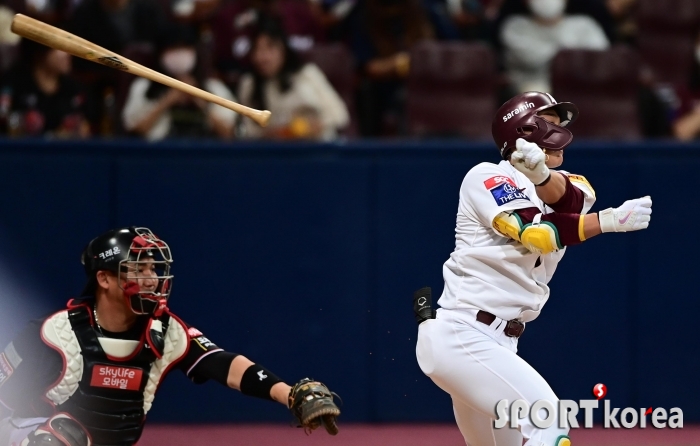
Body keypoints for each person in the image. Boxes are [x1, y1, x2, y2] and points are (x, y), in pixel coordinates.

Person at [414, 91, 652, 446]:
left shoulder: (574, 183)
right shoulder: (484, 176)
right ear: (523, 132)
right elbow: (537, 234)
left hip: (499, 342)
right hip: (463, 333)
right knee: (549, 421)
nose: (558, 135)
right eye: (548, 124)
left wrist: (540, 174)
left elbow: (568, 202)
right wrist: (607, 222)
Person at [0, 227, 340, 446]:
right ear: (104, 279)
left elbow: (223, 364)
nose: (150, 278)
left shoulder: (164, 331)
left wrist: (291, 394)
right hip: (30, 434)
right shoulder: (53, 332)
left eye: (152, 268)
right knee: (58, 437)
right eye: (138, 268)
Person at [237, 15, 349, 140]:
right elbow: (247, 132)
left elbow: (339, 114)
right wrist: (274, 133)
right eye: (256, 49)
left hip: (316, 147)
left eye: (270, 48)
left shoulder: (307, 74)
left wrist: (317, 125)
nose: (262, 57)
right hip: (273, 153)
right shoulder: (249, 84)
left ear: (283, 48)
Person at [122, 23, 237, 141]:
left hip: (204, 155)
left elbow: (228, 134)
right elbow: (135, 131)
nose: (179, 54)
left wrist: (199, 100)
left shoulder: (214, 87)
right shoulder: (143, 87)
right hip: (159, 154)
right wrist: (167, 101)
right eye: (173, 48)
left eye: (184, 47)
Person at [500, 0, 609, 93]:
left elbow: (601, 60)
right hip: (533, 93)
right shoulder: (515, 28)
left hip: (583, 91)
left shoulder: (585, 25)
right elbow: (532, 58)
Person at [0, 39, 90, 138]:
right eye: (61, 49)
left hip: (65, 152)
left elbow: (88, 129)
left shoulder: (73, 88)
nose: (68, 54)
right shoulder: (13, 83)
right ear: (41, 52)